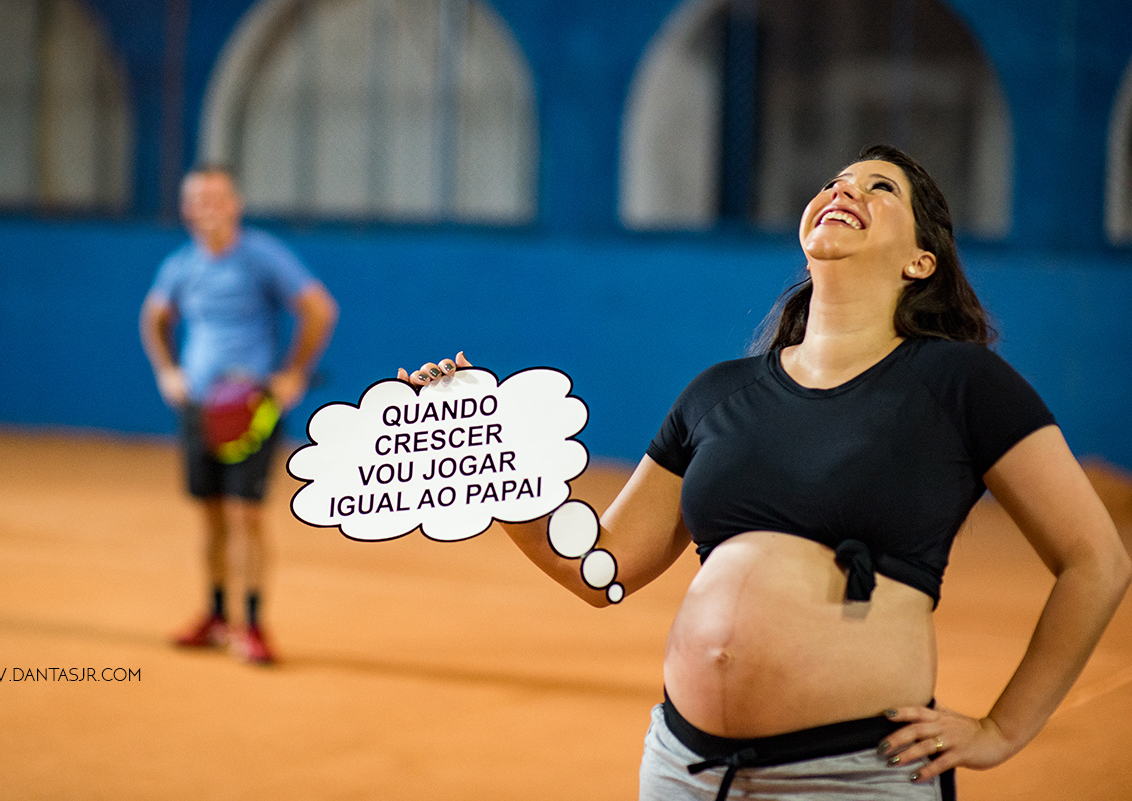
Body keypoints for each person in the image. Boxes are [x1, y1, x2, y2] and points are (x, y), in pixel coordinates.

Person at [400, 145, 1131, 799]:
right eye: (836, 180)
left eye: (880, 188)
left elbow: (1095, 560)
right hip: (685, 770)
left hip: (854, 776)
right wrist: (485, 464)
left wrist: (1002, 728)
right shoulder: (718, 390)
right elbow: (602, 569)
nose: (846, 189)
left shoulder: (961, 383)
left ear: (920, 261)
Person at [141, 165, 337, 665]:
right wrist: (168, 372)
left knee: (246, 515)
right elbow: (155, 316)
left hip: (252, 407)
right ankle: (214, 615)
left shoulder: (262, 256)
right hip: (199, 406)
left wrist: (293, 374)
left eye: (217, 197)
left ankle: (251, 625)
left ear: (235, 205)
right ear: (186, 209)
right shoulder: (180, 265)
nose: (207, 206)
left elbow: (319, 308)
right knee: (210, 517)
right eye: (197, 198)